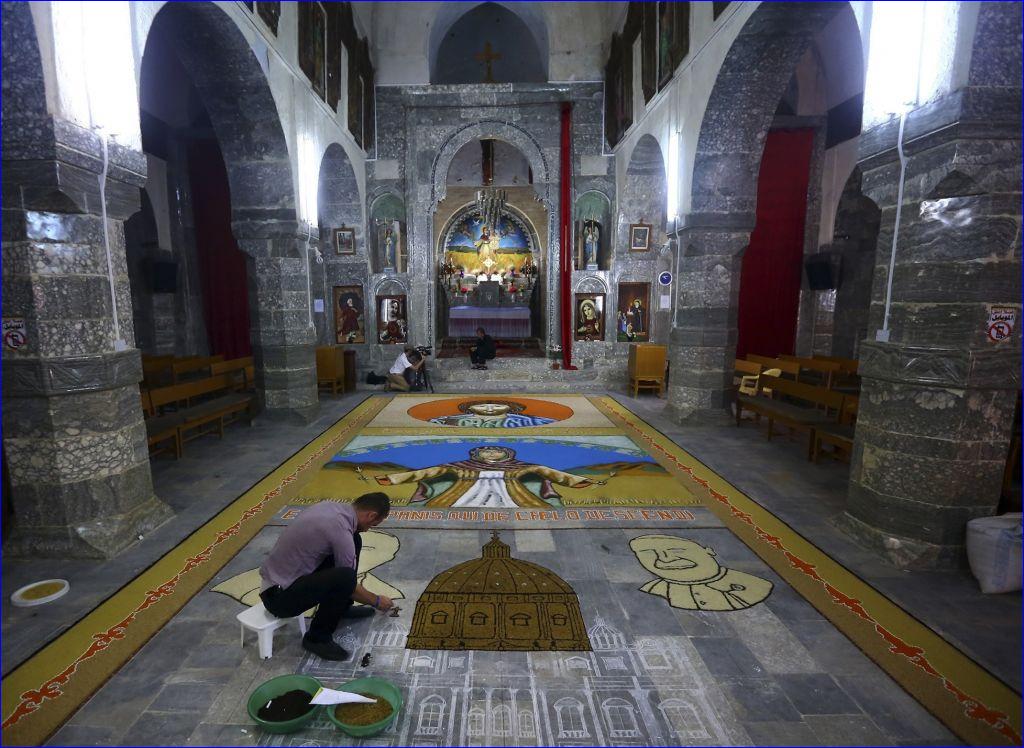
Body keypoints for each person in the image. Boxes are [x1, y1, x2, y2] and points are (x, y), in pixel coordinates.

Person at [259, 493, 395, 661]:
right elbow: (348, 582)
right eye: (373, 524)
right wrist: (376, 601)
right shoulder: (339, 529)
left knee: (355, 540)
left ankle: (342, 607)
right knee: (344, 578)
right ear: (371, 515)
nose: (369, 528)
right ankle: (317, 638)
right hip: (278, 599)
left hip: (282, 582)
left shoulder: (332, 508)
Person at [376, 445, 606, 509]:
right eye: (486, 451)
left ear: (507, 455)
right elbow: (428, 472)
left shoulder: (520, 466)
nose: (491, 453)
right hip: (462, 495)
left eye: (497, 451)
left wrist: (578, 481)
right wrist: (395, 479)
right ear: (477, 454)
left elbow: (550, 472)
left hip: (514, 496)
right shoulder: (461, 465)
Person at [628, 535, 773, 611]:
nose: (665, 558)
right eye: (648, 553)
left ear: (708, 551)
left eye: (676, 550)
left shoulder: (755, 585)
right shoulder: (654, 589)